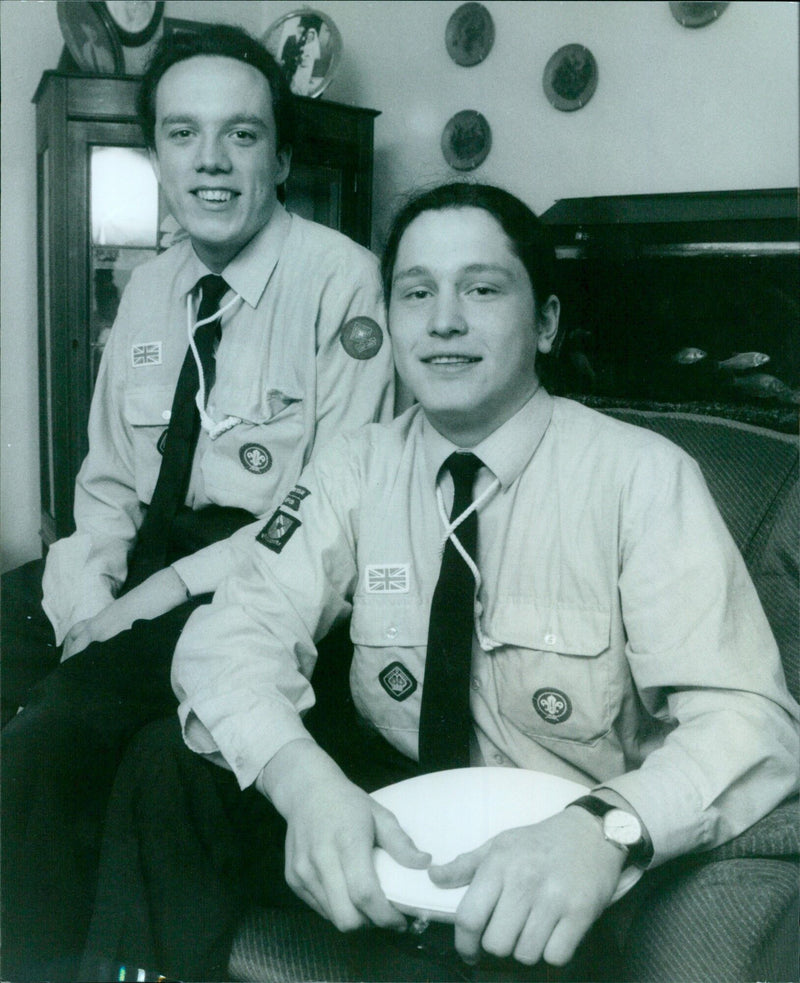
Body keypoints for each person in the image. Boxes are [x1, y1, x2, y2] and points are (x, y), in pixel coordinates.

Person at [81, 182, 799, 982]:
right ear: (390, 320)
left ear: (548, 322)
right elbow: (229, 638)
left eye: (483, 289)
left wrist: (608, 829)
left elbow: (749, 719)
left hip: (550, 854)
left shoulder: (644, 478)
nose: (444, 319)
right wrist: (307, 785)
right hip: (393, 810)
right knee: (166, 766)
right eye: (416, 292)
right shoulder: (355, 465)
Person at [0, 24, 395, 982]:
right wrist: (88, 601)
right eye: (183, 134)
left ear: (284, 156)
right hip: (141, 560)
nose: (211, 162)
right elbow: (104, 481)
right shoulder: (147, 289)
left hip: (257, 576)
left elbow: (323, 510)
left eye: (242, 136)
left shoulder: (341, 280)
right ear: (158, 157)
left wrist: (145, 601)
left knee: (53, 734)